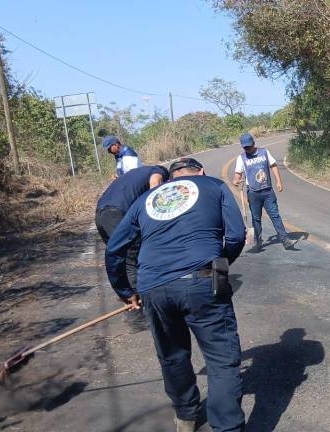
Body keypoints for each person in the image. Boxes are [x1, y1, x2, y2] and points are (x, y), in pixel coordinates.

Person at [105, 157, 247, 432]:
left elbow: (114, 250)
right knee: (221, 360)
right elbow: (236, 235)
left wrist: (126, 291)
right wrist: (221, 262)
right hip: (202, 281)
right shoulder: (214, 185)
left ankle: (186, 416)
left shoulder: (146, 200)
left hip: (153, 288)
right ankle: (227, 427)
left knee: (172, 355)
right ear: (201, 172)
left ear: (170, 179)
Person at [95, 165, 168, 289]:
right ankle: (138, 297)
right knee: (132, 256)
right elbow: (154, 190)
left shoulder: (135, 174)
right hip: (116, 213)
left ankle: (129, 295)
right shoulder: (158, 171)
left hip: (100, 215)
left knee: (120, 256)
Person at [232, 133, 296, 252]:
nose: (247, 149)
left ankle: (285, 239)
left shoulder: (264, 152)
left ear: (254, 143)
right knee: (256, 218)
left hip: (267, 191)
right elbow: (237, 176)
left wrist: (279, 181)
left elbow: (274, 166)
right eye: (245, 147)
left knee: (275, 215)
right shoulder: (241, 158)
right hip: (253, 193)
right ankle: (258, 242)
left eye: (249, 146)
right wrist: (236, 181)